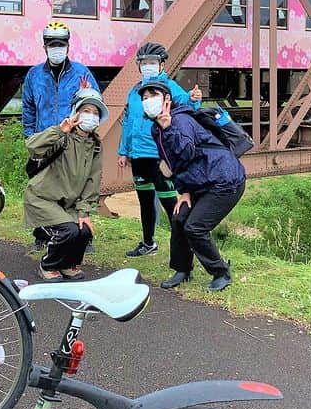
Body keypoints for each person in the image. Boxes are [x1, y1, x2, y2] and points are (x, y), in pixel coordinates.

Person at [138, 77, 245, 292]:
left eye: (154, 96)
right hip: (201, 182)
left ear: (167, 99)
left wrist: (168, 128)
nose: (149, 100)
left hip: (225, 180)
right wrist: (183, 192)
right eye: (145, 97)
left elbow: (186, 152)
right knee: (179, 218)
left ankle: (221, 272)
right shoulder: (157, 127)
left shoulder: (179, 121)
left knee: (195, 227)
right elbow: (171, 162)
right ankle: (182, 269)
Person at [118, 42, 202, 257]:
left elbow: (187, 106)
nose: (148, 66)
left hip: (160, 156)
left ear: (161, 64)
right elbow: (128, 122)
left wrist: (195, 100)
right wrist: (123, 150)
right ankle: (148, 243)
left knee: (170, 203)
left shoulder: (170, 87)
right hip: (138, 155)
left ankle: (183, 249)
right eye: (144, 62)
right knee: (145, 203)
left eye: (152, 62)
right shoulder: (134, 91)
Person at [21, 21, 99, 248]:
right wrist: (30, 136)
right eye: (53, 44)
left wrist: (87, 93)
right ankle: (42, 235)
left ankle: (79, 234)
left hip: (73, 141)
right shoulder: (34, 75)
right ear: (45, 46)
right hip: (46, 140)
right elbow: (28, 108)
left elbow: (94, 103)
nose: (57, 48)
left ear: (68, 45)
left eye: (61, 44)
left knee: (72, 188)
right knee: (42, 188)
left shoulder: (81, 72)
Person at [24, 87, 107, 282]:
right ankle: (48, 265)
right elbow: (32, 147)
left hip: (66, 204)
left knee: (84, 230)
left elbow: (92, 181)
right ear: (76, 112)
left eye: (96, 113)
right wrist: (59, 131)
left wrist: (84, 211)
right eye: (86, 111)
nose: (91, 116)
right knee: (68, 230)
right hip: (42, 199)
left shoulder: (95, 145)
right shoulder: (62, 137)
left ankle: (68, 264)